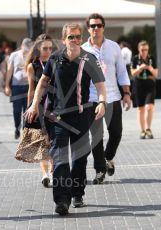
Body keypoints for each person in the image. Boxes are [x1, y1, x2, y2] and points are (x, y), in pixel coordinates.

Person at [24, 23, 106, 215]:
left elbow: (101, 85)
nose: (75, 40)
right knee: (60, 159)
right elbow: (42, 83)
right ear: (64, 40)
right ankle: (61, 201)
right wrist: (34, 104)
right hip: (58, 117)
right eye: (71, 37)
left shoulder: (89, 58)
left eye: (78, 36)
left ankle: (77, 193)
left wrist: (102, 102)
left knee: (79, 159)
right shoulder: (55, 58)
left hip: (81, 116)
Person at [82, 13, 132, 184]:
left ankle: (108, 157)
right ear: (88, 29)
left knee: (116, 133)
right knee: (96, 137)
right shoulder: (83, 50)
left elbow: (122, 72)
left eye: (99, 25)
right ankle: (99, 170)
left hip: (112, 97)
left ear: (104, 27)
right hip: (92, 98)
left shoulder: (114, 47)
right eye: (92, 26)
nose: (96, 29)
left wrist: (126, 93)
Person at [25, 34, 54, 188]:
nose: (47, 51)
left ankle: (54, 171)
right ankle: (45, 174)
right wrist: (29, 107)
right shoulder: (33, 66)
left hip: (54, 105)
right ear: (38, 48)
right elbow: (31, 89)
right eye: (44, 48)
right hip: (38, 106)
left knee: (52, 141)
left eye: (50, 48)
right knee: (42, 142)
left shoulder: (56, 63)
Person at [5, 38, 32, 139]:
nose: (26, 51)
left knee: (27, 109)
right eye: (25, 48)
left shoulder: (32, 55)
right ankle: (17, 127)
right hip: (16, 87)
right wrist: (7, 86)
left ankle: (25, 130)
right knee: (16, 110)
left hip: (28, 86)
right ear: (21, 46)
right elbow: (9, 71)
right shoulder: (14, 55)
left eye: (28, 49)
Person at [131, 40, 158, 139]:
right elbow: (133, 73)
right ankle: (142, 130)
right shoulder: (135, 59)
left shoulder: (152, 59)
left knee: (149, 107)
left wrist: (150, 68)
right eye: (142, 50)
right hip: (139, 84)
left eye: (146, 50)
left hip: (150, 84)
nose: (144, 52)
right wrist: (140, 68)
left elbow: (156, 74)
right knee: (140, 109)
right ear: (139, 49)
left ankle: (148, 129)